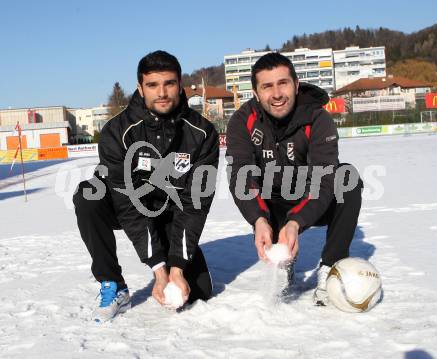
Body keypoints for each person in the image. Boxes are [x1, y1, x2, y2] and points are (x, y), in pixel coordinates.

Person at [73, 50, 219, 322]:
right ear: (140, 88)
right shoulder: (117, 132)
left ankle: (177, 259)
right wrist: (159, 268)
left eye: (169, 83)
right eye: (153, 85)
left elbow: (196, 204)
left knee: (200, 292)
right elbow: (127, 203)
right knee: (88, 196)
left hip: (173, 214)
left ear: (180, 85)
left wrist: (177, 267)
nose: (162, 92)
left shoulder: (202, 133)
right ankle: (113, 284)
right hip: (127, 208)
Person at [226, 52, 362, 305]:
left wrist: (296, 222)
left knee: (347, 178)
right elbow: (240, 176)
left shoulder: (318, 118)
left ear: (296, 85)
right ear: (256, 93)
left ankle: (331, 267)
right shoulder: (242, 120)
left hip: (310, 199)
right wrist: (258, 220)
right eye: (267, 86)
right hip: (272, 204)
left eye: (283, 83)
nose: (277, 94)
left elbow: (324, 179)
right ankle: (283, 260)